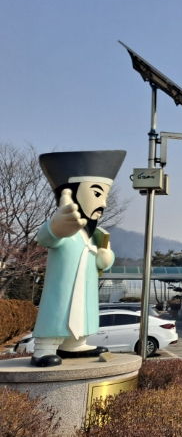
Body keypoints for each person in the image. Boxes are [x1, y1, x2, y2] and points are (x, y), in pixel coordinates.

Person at [31, 150, 126, 367]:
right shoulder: (65, 229)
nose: (103, 204)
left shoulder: (94, 234)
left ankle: (76, 344)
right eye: (97, 194)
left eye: (105, 197)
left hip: (86, 288)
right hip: (62, 287)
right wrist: (55, 227)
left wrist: (105, 258)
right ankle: (44, 348)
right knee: (59, 309)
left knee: (84, 311)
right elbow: (45, 238)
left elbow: (101, 261)